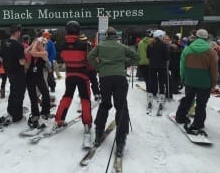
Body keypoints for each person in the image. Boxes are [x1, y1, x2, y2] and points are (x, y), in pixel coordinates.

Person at [87, 26, 139, 157]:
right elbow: (136, 57)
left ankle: (98, 133)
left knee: (104, 104)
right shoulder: (121, 47)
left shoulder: (100, 46)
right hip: (119, 77)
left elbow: (90, 57)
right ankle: (121, 141)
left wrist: (99, 67)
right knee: (121, 107)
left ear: (106, 36)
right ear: (116, 36)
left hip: (105, 78)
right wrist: (125, 64)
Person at [54, 21, 92, 144]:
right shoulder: (83, 45)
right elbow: (89, 61)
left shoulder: (62, 44)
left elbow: (60, 58)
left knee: (67, 96)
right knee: (85, 99)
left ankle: (59, 119)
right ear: (78, 30)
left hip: (69, 74)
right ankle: (87, 123)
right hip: (82, 75)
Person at [175, 29, 218, 134]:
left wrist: (183, 77)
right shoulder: (211, 51)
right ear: (206, 38)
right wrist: (213, 83)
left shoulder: (187, 49)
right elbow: (214, 69)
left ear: (196, 37)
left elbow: (182, 66)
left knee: (188, 99)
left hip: (190, 80)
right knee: (201, 104)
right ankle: (198, 124)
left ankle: (180, 117)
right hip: (204, 82)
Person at [0, 25, 26, 122]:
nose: (20, 34)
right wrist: (25, 59)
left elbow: (1, 58)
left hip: (9, 71)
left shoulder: (4, 43)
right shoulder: (18, 45)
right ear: (17, 32)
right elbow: (22, 62)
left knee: (13, 90)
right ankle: (17, 116)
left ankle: (10, 110)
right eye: (19, 32)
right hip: (18, 72)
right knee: (19, 93)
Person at [26, 37, 52, 128]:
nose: (42, 45)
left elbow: (33, 53)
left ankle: (45, 111)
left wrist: (36, 43)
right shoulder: (33, 51)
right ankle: (35, 114)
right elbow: (26, 51)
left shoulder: (44, 53)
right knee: (32, 96)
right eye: (42, 43)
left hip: (39, 76)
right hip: (30, 76)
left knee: (45, 93)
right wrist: (33, 44)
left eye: (42, 44)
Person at [146, 29, 169, 109]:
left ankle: (150, 100)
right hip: (162, 66)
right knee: (161, 83)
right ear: (160, 36)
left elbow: (148, 56)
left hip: (152, 65)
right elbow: (166, 57)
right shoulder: (163, 45)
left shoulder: (150, 44)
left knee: (152, 82)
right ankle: (161, 100)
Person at [137, 29, 153, 97]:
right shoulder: (151, 42)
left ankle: (148, 89)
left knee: (146, 78)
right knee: (151, 77)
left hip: (142, 63)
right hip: (150, 63)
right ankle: (151, 90)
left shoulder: (140, 43)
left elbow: (138, 53)